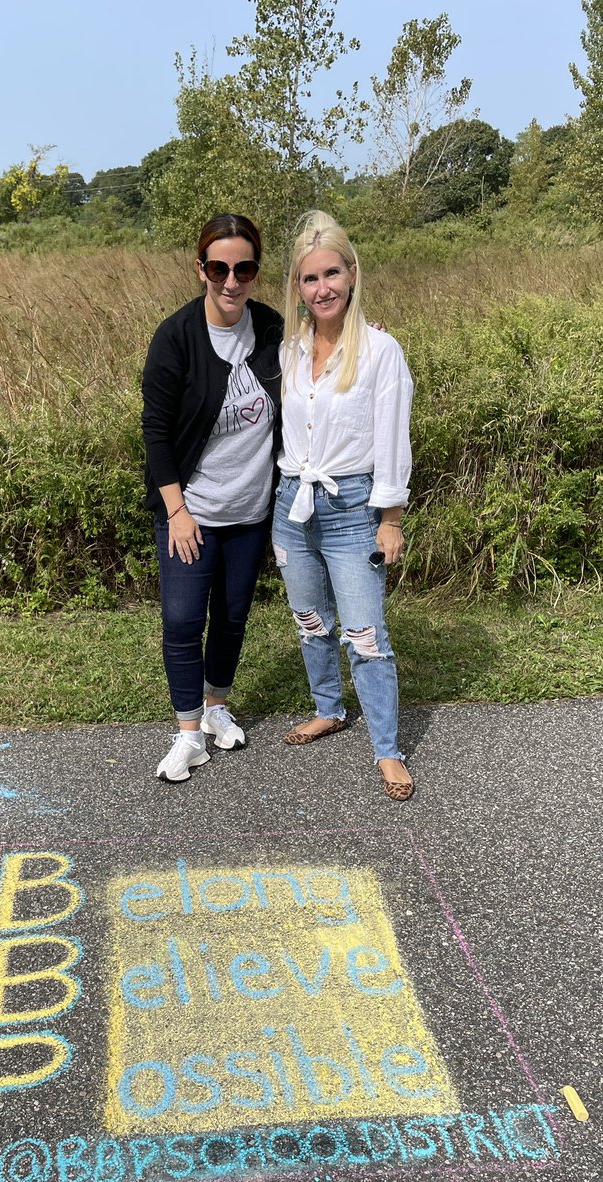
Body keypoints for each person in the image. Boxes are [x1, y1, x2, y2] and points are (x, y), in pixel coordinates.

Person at [272, 211, 415, 800]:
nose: (322, 288)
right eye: (309, 279)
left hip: (354, 506)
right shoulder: (288, 348)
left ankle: (387, 748)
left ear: (352, 274)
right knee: (311, 622)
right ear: (297, 289)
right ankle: (328, 709)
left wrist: (391, 519)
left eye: (332, 274)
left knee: (364, 633)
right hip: (292, 504)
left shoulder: (381, 351)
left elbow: (392, 438)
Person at [142, 213, 282, 782]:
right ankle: (188, 732)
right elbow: (155, 431)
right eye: (219, 268)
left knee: (230, 617)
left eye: (243, 268)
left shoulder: (271, 327)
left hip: (250, 510)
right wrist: (176, 510)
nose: (231, 281)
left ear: (255, 271)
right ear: (200, 269)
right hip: (191, 511)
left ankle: (218, 707)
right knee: (180, 620)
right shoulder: (176, 337)